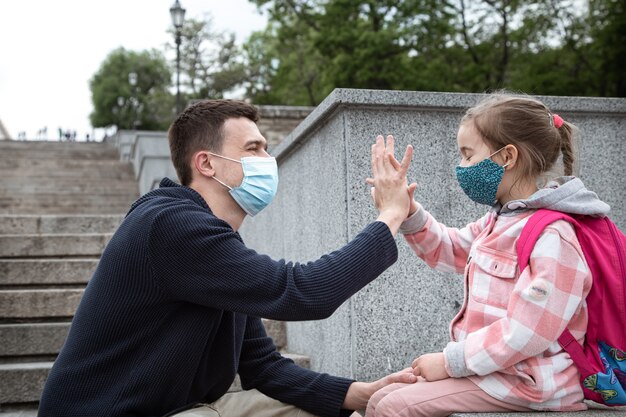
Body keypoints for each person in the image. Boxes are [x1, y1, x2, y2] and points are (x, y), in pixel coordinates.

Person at [39, 99, 418, 417]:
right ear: (206, 164)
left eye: (266, 148)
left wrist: (361, 395)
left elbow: (261, 365)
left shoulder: (211, 240)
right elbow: (302, 291)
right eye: (253, 149)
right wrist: (390, 215)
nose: (268, 159)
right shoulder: (171, 226)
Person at [365, 92, 610, 417]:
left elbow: (528, 331)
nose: (461, 167)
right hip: (495, 373)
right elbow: (449, 249)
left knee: (395, 406)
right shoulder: (502, 219)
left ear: (507, 156)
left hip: (532, 382)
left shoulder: (555, 236)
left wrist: (450, 361)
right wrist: (409, 212)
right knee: (380, 397)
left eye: (468, 155)